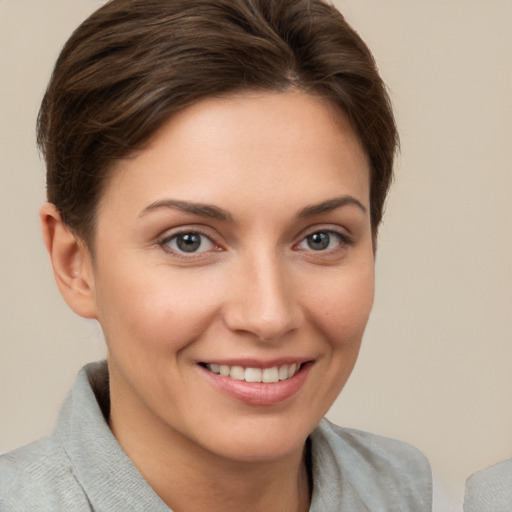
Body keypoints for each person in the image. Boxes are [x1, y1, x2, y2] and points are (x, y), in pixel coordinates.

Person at [0, 0, 432, 510]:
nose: (269, 315)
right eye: (189, 241)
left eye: (320, 238)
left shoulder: (420, 494)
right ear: (75, 263)